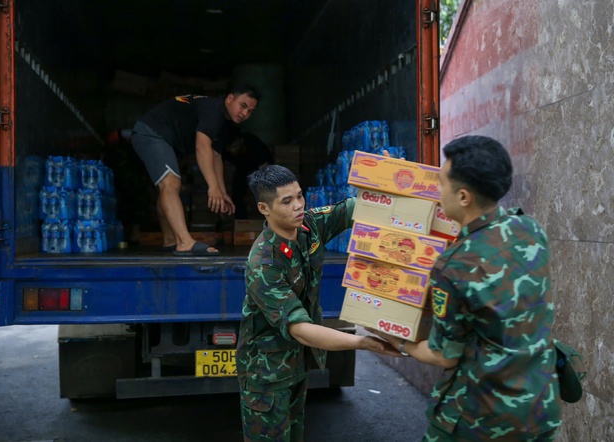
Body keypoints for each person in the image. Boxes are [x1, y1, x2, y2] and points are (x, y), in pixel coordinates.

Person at [369, 135, 562, 441]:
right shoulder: (529, 230)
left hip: (482, 420)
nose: (437, 189)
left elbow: (443, 356)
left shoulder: (453, 266)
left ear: (463, 197)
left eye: (441, 183)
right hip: (541, 408)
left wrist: (399, 343)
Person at [236, 164, 401, 441]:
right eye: (287, 201)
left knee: (297, 433)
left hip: (297, 362)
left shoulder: (308, 226)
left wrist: (387, 181)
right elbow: (299, 327)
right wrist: (361, 343)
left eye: (299, 196)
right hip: (267, 374)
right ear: (264, 208)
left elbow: (352, 209)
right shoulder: (264, 264)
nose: (299, 205)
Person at [130, 84, 261, 256]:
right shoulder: (213, 110)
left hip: (161, 138)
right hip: (152, 133)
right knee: (171, 184)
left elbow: (215, 156)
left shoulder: (223, 123)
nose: (245, 114)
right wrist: (212, 187)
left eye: (250, 111)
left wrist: (221, 192)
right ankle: (184, 242)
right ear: (230, 99)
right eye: (243, 106)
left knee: (167, 187)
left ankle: (170, 240)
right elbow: (202, 147)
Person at [222, 130, 274, 219]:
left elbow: (264, 168)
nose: (232, 150)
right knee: (237, 194)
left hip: (261, 168)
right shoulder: (226, 150)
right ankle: (241, 221)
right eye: (229, 148)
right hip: (242, 168)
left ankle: (269, 219)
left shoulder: (254, 145)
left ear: (241, 141)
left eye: (235, 147)